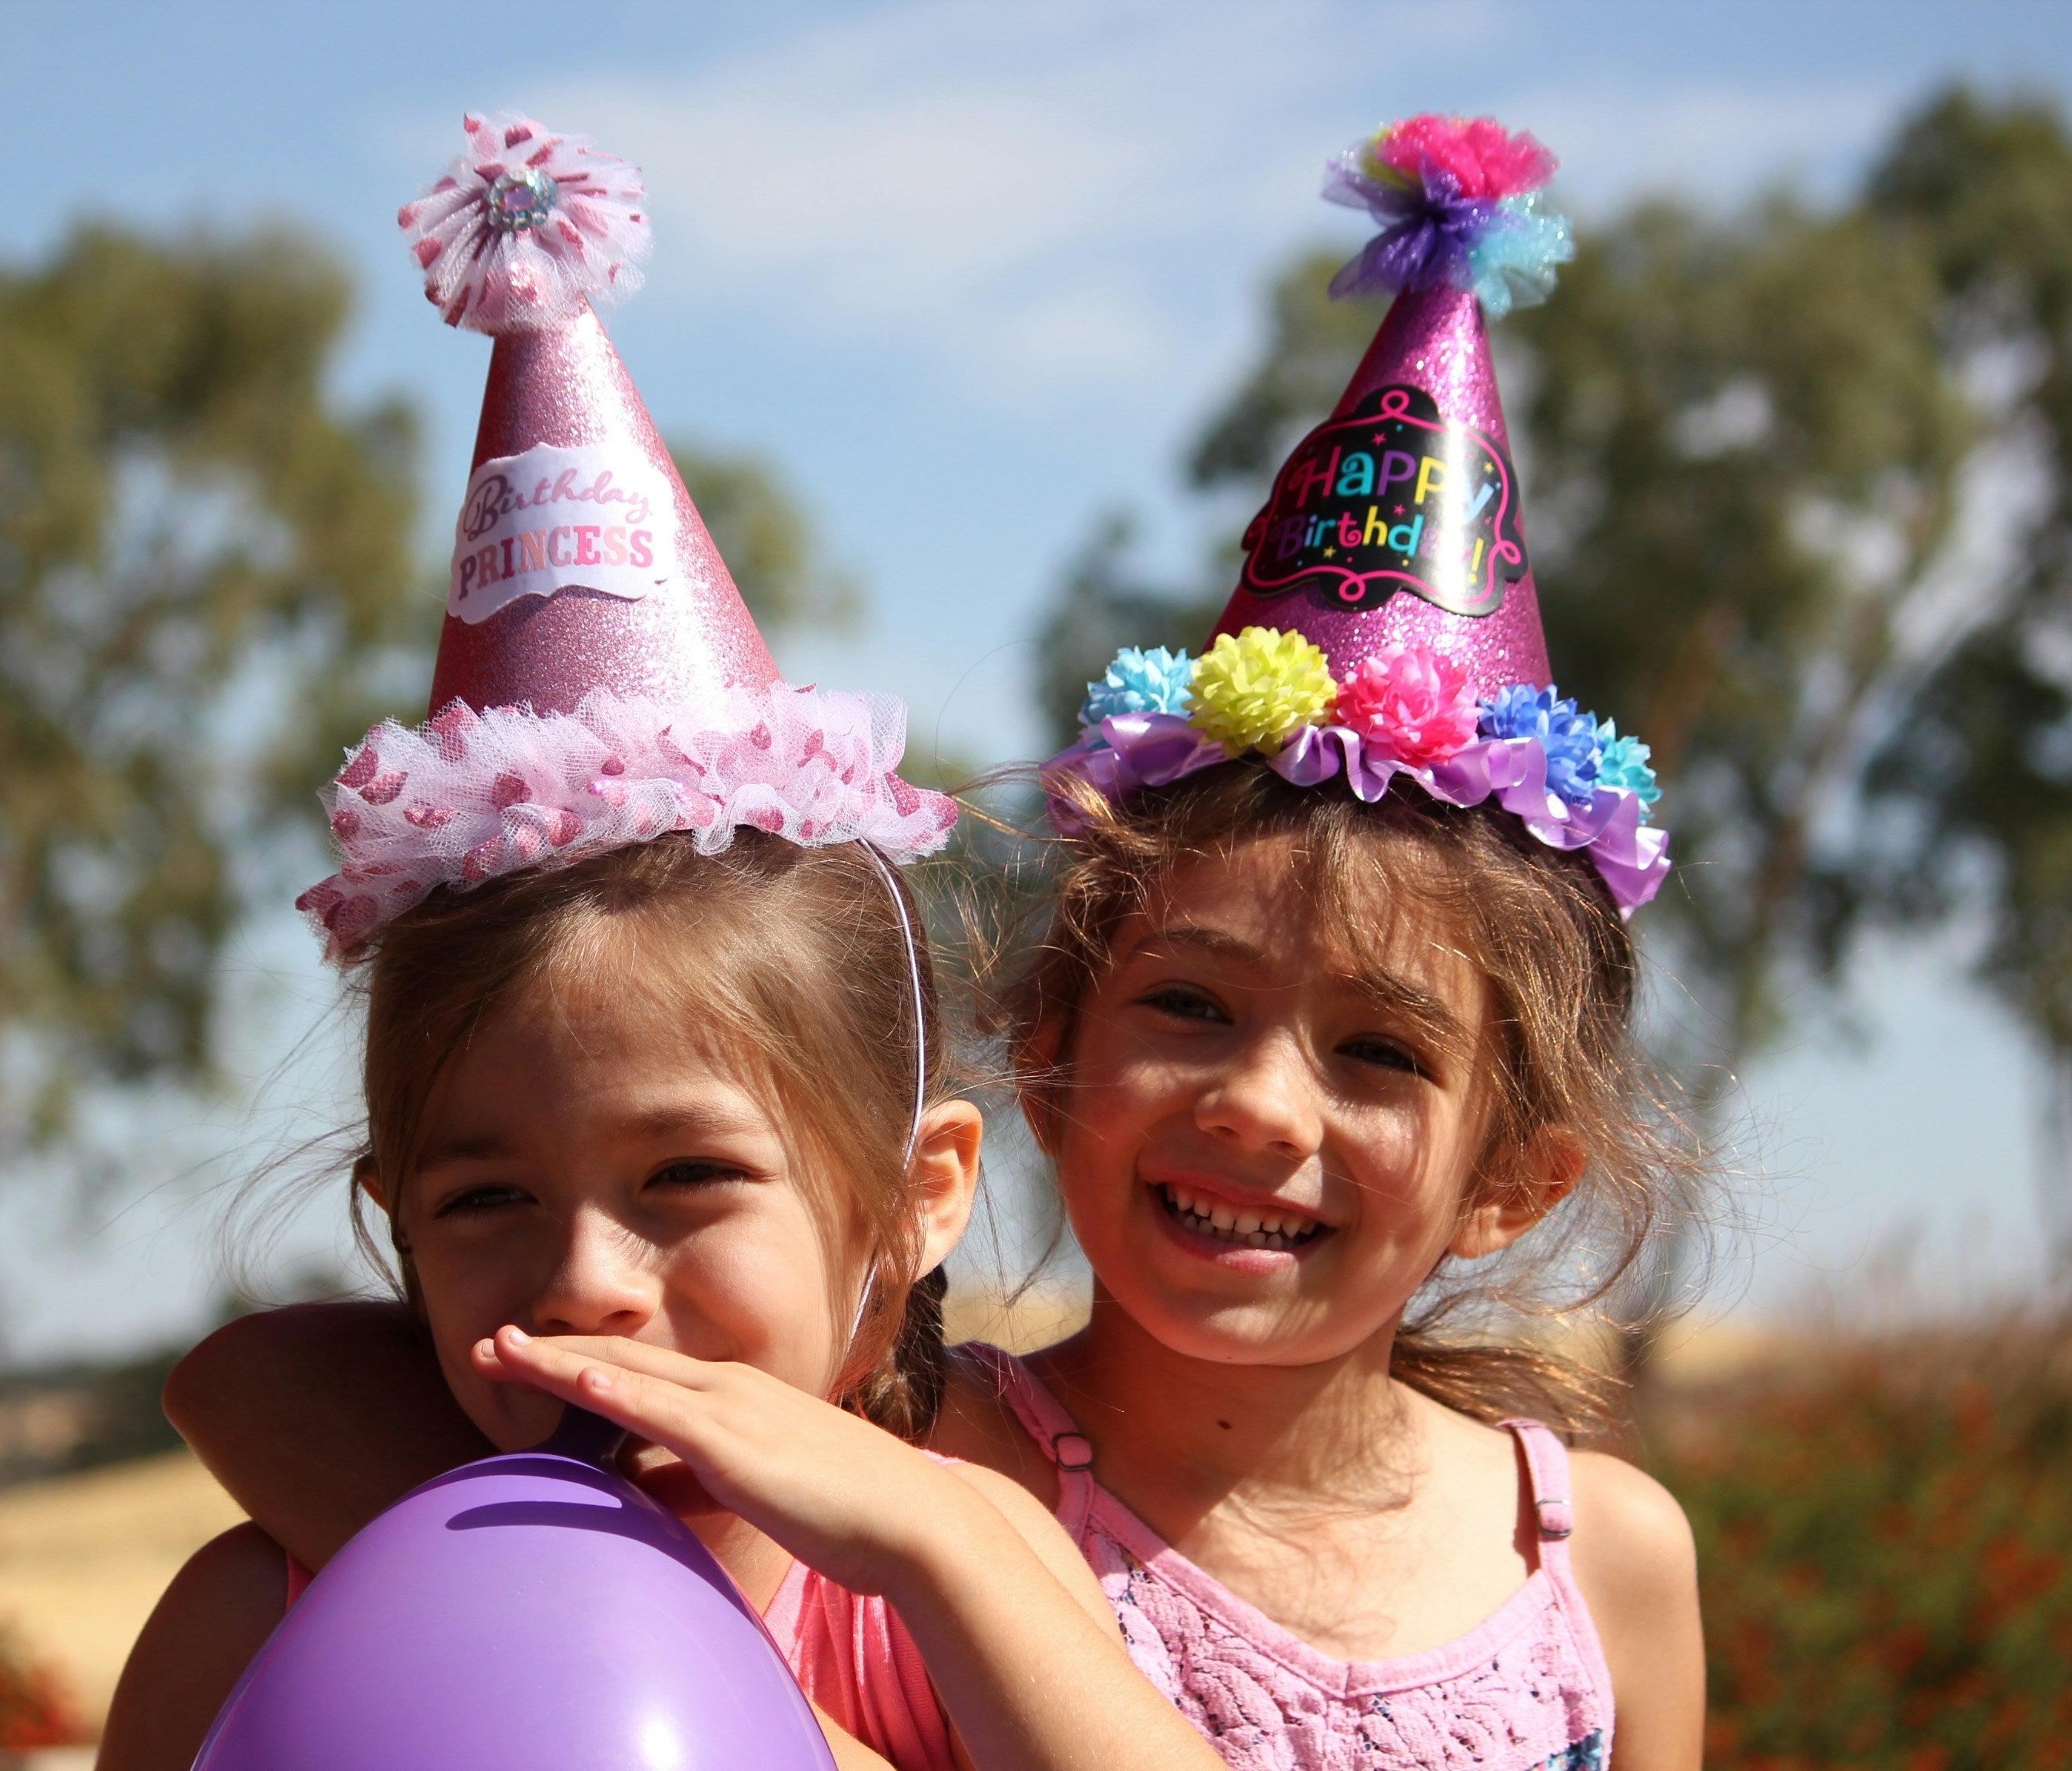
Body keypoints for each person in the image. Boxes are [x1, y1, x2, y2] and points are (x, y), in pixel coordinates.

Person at [161, 112, 1708, 1770]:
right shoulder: (931, 1466)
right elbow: (270, 1380)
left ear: (1517, 1174)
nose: (1261, 1106)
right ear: (1054, 1047)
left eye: (1382, 1050)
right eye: (1187, 1005)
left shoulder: (965, 1524)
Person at [98, 111, 1228, 1771]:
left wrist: (938, 1547)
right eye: (482, 1199)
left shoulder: (955, 1615)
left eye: (687, 1178)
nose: (581, 1286)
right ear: (392, 1229)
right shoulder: (264, 1610)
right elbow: (245, 1374)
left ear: (915, 1199)